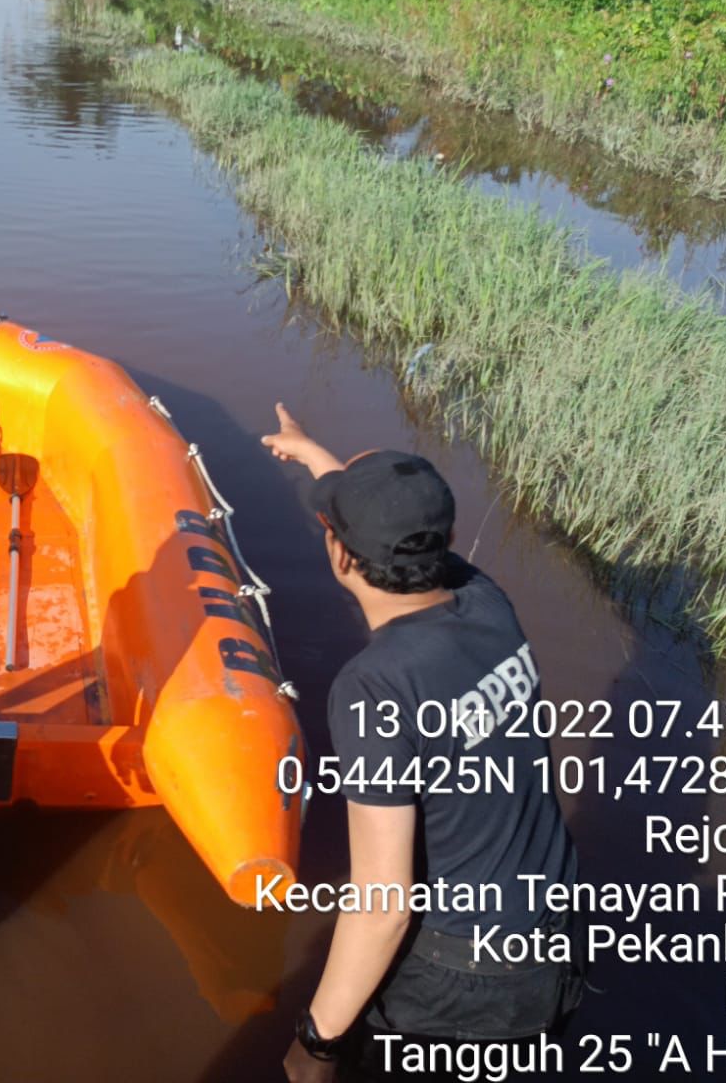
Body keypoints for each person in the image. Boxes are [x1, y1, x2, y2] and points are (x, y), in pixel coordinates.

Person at [260, 404, 581, 1082]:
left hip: (461, 983)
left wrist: (316, 1040)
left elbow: (383, 905)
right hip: (554, 942)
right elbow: (401, 530)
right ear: (447, 538)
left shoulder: (375, 686)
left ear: (339, 553)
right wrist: (318, 456)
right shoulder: (484, 599)